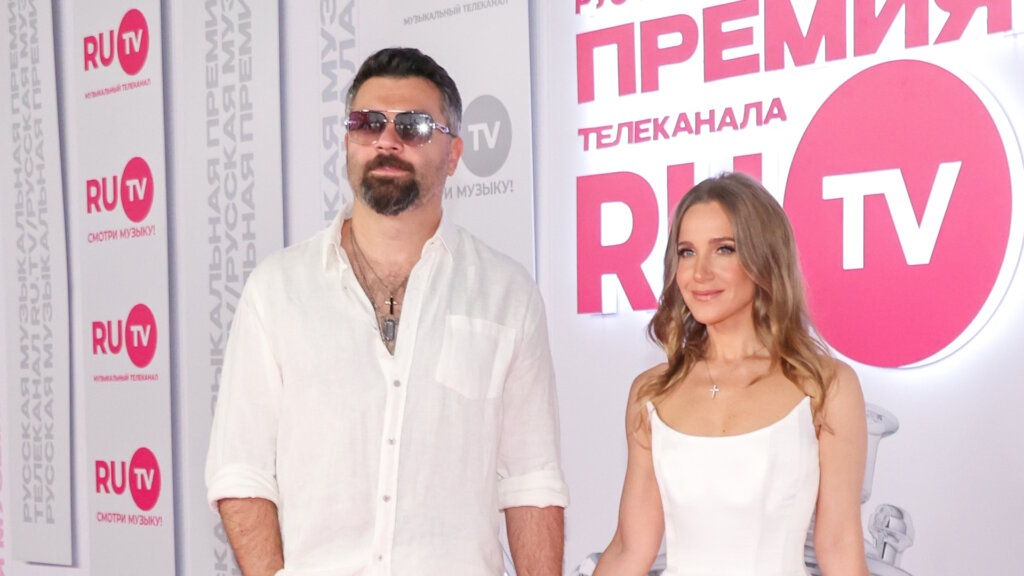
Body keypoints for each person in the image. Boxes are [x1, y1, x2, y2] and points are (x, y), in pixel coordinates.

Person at [206, 47, 568, 576]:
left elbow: (531, 483)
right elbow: (242, 473)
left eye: (414, 126)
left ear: (453, 154)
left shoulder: (507, 295)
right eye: (368, 123)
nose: (387, 140)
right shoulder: (276, 290)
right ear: (347, 141)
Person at [593, 173, 869, 576]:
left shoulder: (825, 386)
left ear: (764, 258)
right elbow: (629, 549)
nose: (699, 273)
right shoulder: (652, 392)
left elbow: (840, 547)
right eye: (687, 252)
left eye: (724, 249)